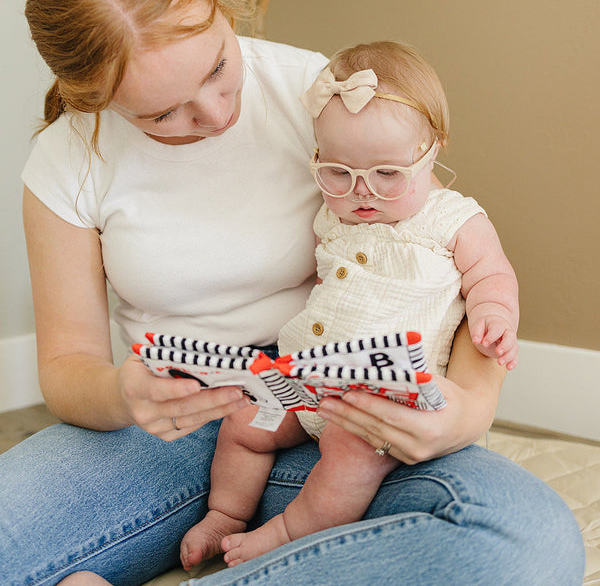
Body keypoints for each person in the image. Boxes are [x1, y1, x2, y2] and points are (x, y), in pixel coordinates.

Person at [0, 0, 584, 586]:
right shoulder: (68, 157)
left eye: (219, 66)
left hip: (338, 421)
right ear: (93, 98)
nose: (217, 115)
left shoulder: (326, 94)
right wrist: (125, 393)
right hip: (165, 433)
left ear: (220, 4)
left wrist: (470, 410)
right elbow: (68, 366)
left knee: (524, 539)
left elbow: (450, 253)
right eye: (164, 114)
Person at [178, 41, 520, 570]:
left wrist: (495, 316)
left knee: (347, 455)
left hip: (379, 398)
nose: (362, 193)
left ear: (433, 152)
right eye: (338, 172)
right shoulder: (332, 216)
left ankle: (289, 532)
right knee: (246, 419)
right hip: (305, 375)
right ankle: (225, 512)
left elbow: (492, 275)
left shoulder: (454, 220)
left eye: (388, 175)